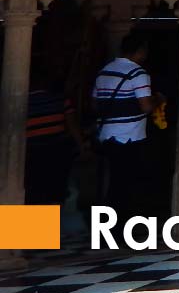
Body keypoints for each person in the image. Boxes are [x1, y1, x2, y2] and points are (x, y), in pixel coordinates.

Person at [93, 33, 161, 221]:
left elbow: (95, 103)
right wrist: (158, 99)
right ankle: (117, 230)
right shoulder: (138, 73)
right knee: (124, 185)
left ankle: (108, 229)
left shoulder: (105, 71)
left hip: (106, 135)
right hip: (128, 136)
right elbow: (146, 106)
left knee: (113, 182)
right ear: (140, 51)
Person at [26, 62, 82, 205]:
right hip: (56, 152)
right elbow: (72, 126)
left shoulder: (21, 102)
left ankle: (26, 226)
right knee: (52, 193)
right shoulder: (61, 100)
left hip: (29, 153)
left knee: (31, 193)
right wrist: (82, 146)